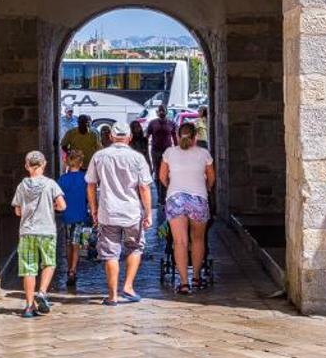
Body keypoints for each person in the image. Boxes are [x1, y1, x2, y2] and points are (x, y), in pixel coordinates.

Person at [85, 120, 153, 305]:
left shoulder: (99, 156)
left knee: (110, 253)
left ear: (110, 136)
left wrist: (93, 209)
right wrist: (148, 213)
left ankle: (112, 295)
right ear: (129, 138)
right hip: (131, 212)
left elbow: (91, 184)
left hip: (108, 211)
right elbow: (144, 187)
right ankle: (128, 286)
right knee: (135, 247)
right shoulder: (138, 158)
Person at [158, 120, 215, 294]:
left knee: (179, 242)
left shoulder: (169, 153)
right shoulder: (204, 154)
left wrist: (172, 187)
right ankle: (196, 277)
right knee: (197, 239)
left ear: (177, 136)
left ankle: (183, 283)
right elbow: (211, 178)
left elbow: (162, 176)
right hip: (198, 198)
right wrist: (206, 188)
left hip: (176, 199)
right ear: (195, 136)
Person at [10, 149, 65, 318]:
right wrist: (51, 207)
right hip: (47, 230)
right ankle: (41, 292)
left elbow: (18, 211)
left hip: (27, 232)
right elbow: (62, 206)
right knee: (49, 263)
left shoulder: (21, 186)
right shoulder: (50, 184)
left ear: (27, 166)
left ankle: (28, 306)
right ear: (44, 164)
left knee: (28, 269)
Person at [55, 147, 92, 292]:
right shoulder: (85, 179)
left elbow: (58, 198)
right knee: (76, 243)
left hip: (66, 215)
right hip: (80, 214)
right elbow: (89, 197)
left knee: (68, 242)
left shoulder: (62, 179)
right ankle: (72, 270)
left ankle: (70, 267)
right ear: (81, 162)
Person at [144, 106, 177, 177]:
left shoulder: (172, 123)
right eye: (160, 111)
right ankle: (158, 187)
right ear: (157, 113)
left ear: (166, 112)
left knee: (167, 171)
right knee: (157, 171)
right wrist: (144, 147)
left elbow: (175, 137)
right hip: (155, 150)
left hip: (168, 151)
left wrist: (177, 149)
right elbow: (147, 136)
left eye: (163, 110)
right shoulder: (152, 123)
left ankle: (165, 187)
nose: (161, 112)